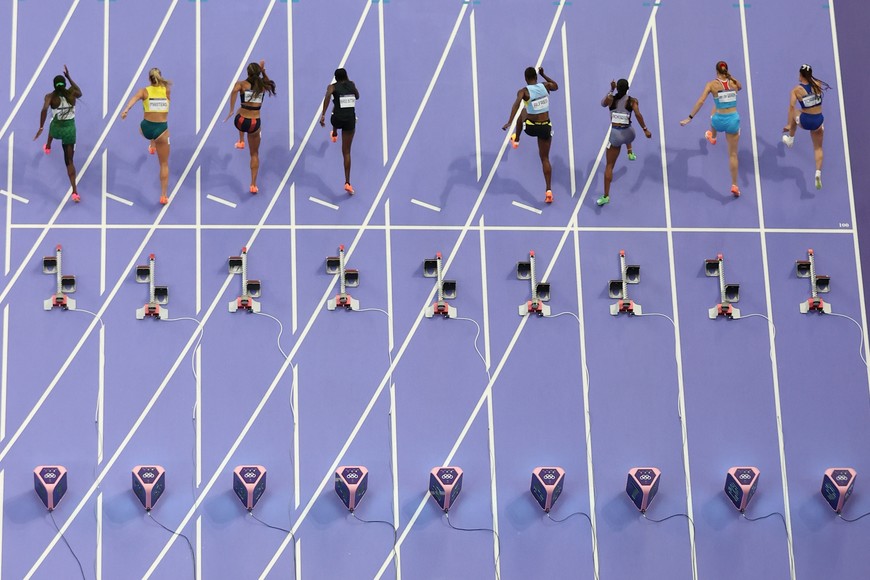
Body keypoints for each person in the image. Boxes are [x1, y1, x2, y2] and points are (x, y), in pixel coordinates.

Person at [680, 61, 743, 197]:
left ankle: (713, 136)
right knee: (733, 155)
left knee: (714, 113)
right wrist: (732, 78)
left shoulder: (711, 85)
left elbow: (701, 101)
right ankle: (734, 185)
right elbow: (740, 87)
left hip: (718, 121)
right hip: (732, 121)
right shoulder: (734, 83)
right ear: (727, 71)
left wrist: (689, 117)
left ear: (716, 72)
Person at [503, 66, 559, 204]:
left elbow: (516, 105)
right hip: (545, 128)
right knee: (545, 158)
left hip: (531, 128)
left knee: (522, 112)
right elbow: (556, 86)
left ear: (525, 78)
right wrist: (544, 75)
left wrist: (510, 121)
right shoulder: (545, 86)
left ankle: (516, 138)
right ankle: (548, 191)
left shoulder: (524, 91)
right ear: (536, 77)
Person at [597, 79, 652, 206]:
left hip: (616, 136)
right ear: (628, 89)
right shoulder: (633, 101)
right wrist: (645, 130)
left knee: (609, 166)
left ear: (617, 87)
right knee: (627, 124)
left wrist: (611, 90)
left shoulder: (611, 99)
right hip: (630, 134)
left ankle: (606, 196)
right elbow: (638, 115)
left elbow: (602, 103)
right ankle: (630, 152)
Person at [224, 60, 276, 194]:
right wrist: (264, 72)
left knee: (240, 110)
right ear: (259, 73)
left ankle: (241, 140)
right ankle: (253, 184)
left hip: (240, 121)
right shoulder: (263, 86)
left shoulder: (241, 84)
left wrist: (231, 110)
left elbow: (233, 92)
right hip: (254, 123)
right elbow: (270, 83)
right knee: (254, 154)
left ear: (247, 73)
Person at [121, 67, 172, 205]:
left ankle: (151, 144)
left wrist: (126, 110)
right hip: (161, 131)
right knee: (164, 164)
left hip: (145, 129)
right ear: (160, 78)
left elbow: (133, 99)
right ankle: (163, 196)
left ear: (149, 79)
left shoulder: (144, 91)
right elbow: (168, 103)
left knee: (146, 116)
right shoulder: (166, 90)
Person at [35, 66, 82, 202]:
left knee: (52, 124)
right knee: (69, 161)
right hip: (69, 130)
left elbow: (44, 110)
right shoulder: (72, 93)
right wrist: (69, 77)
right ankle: (74, 192)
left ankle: (48, 146)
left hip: (57, 128)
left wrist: (41, 127)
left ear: (54, 86)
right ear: (65, 84)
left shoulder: (50, 96)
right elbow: (80, 92)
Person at [782, 64, 829, 190]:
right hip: (818, 121)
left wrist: (788, 124)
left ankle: (790, 139)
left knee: (795, 113)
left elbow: (791, 107)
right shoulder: (818, 84)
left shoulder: (796, 90)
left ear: (801, 75)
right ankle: (818, 173)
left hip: (806, 121)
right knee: (818, 148)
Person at [320, 68, 359, 195]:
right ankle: (347, 182)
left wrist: (322, 115)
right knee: (346, 152)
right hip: (349, 121)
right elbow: (357, 96)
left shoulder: (332, 87)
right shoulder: (351, 85)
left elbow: (327, 98)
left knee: (335, 111)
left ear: (335, 78)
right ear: (346, 76)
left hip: (336, 120)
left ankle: (335, 133)